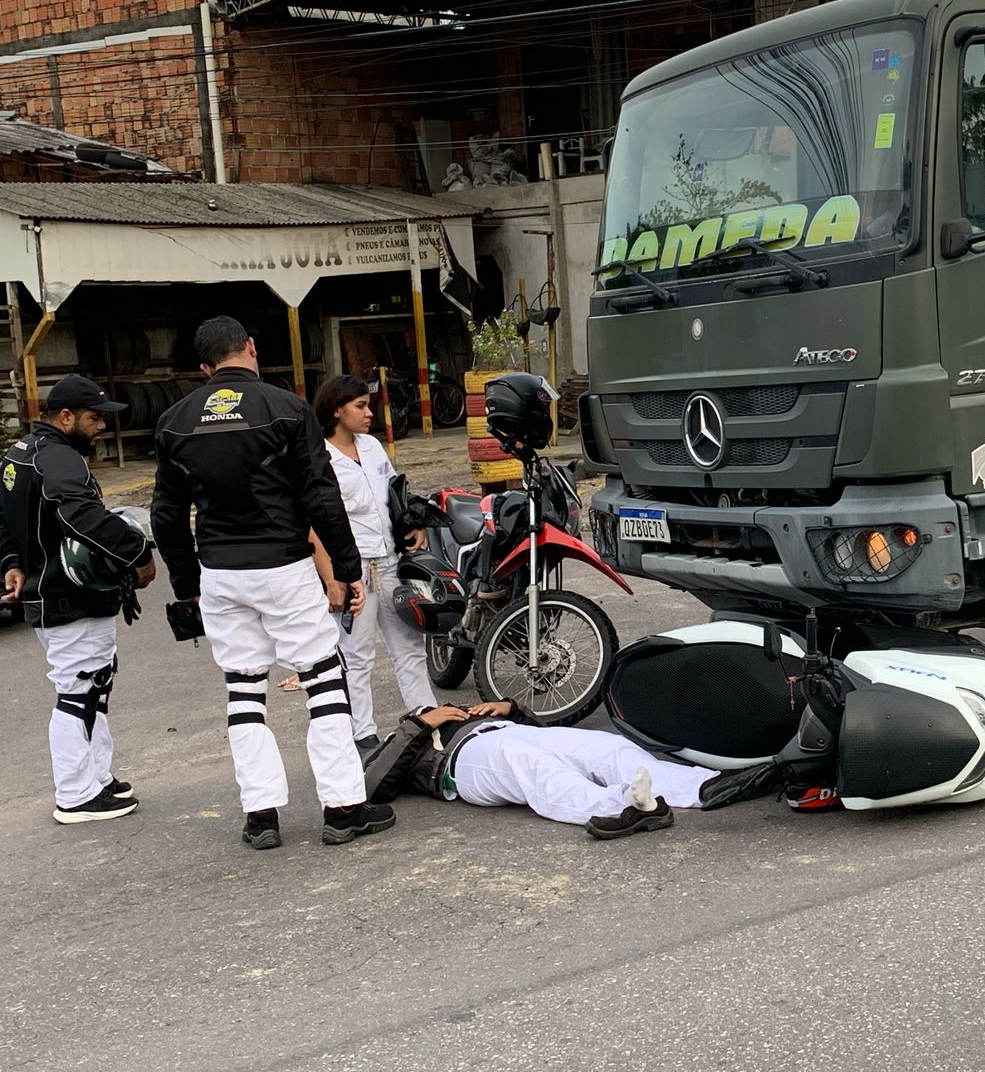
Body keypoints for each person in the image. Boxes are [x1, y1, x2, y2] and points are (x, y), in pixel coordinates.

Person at [151, 316, 395, 851]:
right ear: (252, 349)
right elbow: (321, 496)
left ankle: (261, 816)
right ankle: (343, 808)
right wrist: (350, 572)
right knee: (324, 680)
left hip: (219, 572)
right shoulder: (287, 408)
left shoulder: (174, 420)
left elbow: (167, 516)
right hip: (283, 566)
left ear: (204, 366)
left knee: (244, 689)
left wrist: (187, 583)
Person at [0, 375, 157, 823]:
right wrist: (138, 553)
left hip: (53, 594)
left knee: (94, 685)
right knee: (78, 692)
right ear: (65, 416)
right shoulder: (59, 458)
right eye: (94, 418)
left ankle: (97, 779)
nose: (102, 427)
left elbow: (3, 515)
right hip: (68, 596)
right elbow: (83, 513)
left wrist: (11, 561)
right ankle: (75, 794)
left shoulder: (19, 454)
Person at [362, 699, 780, 839]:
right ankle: (623, 807)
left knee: (606, 746)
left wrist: (511, 709)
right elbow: (373, 784)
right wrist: (419, 724)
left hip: (504, 728)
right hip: (465, 761)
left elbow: (543, 730)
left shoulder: (477, 714)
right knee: (529, 765)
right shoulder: (407, 737)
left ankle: (705, 787)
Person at [310, 374, 436, 752]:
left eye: (369, 405)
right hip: (355, 569)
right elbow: (313, 524)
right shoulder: (319, 458)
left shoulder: (373, 447)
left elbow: (395, 495)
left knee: (410, 646)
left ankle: (428, 719)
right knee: (357, 654)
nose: (369, 413)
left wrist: (416, 527)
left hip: (393, 564)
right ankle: (362, 734)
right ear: (337, 410)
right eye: (360, 406)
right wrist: (332, 577)